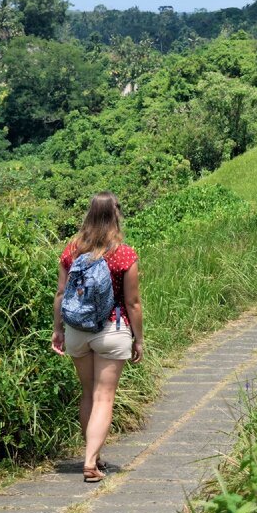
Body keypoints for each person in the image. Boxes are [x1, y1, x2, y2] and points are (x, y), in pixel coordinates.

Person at [52, 192, 144, 483]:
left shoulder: (72, 251)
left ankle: (92, 455)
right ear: (115, 214)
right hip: (112, 328)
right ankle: (91, 461)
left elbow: (60, 293)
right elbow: (133, 303)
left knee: (89, 392)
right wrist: (138, 339)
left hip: (78, 330)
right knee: (104, 396)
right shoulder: (124, 253)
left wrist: (58, 330)